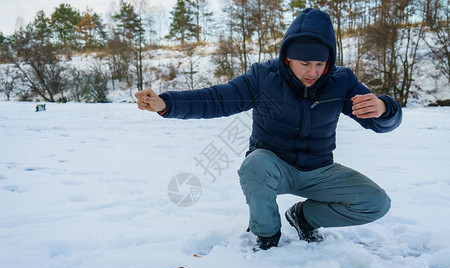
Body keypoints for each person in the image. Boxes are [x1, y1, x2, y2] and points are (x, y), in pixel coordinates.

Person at [135, 8, 402, 251]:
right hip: (273, 165)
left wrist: (384, 109)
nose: (313, 72)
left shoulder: (342, 81)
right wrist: (166, 104)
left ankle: (304, 217)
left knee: (376, 202)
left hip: (319, 169)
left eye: (320, 64)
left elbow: (382, 121)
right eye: (305, 63)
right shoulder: (264, 77)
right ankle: (267, 236)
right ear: (288, 58)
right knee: (254, 165)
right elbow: (217, 98)